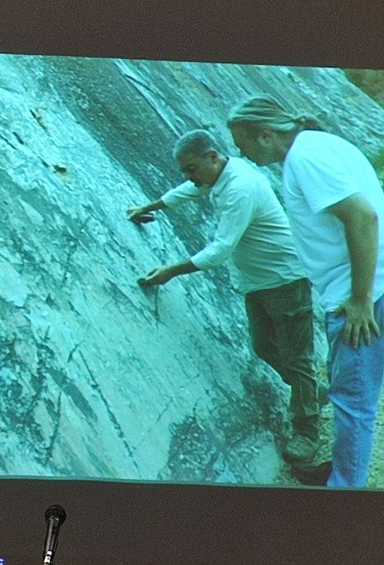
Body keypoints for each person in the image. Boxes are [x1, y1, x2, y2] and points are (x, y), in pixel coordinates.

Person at [227, 96, 384, 487]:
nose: (238, 151)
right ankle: (342, 469)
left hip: (371, 289)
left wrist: (362, 300)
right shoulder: (314, 147)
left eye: (241, 142)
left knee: (353, 401)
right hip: (368, 284)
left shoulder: (306, 158)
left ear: (265, 134)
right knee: (346, 387)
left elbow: (362, 217)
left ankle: (344, 492)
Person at [127, 129, 324, 464]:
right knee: (263, 346)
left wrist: (168, 273)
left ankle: (307, 432)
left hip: (285, 279)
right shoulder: (216, 177)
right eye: (184, 170)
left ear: (212, 156)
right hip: (257, 279)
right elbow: (190, 189)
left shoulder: (240, 187)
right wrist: (150, 206)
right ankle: (310, 395)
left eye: (192, 167)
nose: (190, 175)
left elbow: (220, 249)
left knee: (297, 356)